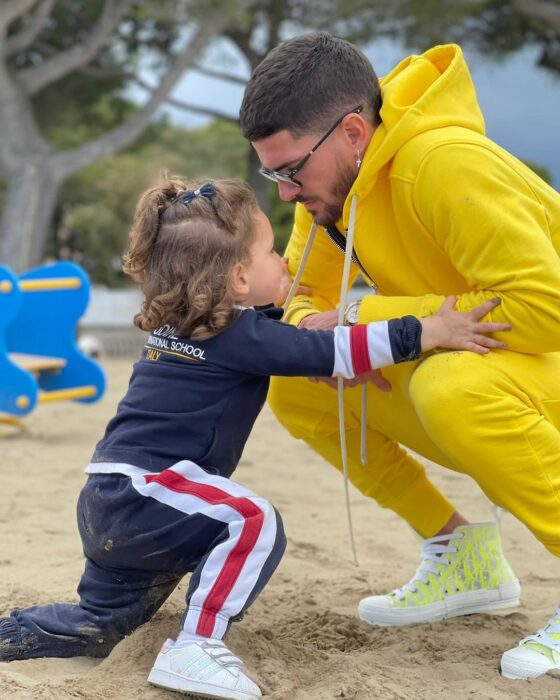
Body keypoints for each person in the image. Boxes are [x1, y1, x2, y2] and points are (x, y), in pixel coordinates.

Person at [0, 177, 508, 698]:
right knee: (252, 519)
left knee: (99, 623)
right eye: (271, 253)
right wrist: (429, 330)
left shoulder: (191, 323)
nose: (284, 263)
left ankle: (11, 634)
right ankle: (196, 646)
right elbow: (333, 347)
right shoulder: (237, 335)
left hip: (114, 496)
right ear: (239, 278)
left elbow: (285, 335)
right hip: (150, 490)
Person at [239, 32, 560, 680]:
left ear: (353, 133)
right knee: (298, 379)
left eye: (291, 170)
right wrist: (339, 341)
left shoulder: (443, 164)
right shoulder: (332, 199)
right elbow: (298, 300)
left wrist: (370, 319)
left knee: (451, 385)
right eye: (273, 174)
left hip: (535, 355)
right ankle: (461, 554)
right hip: (498, 361)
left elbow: (547, 306)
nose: (284, 192)